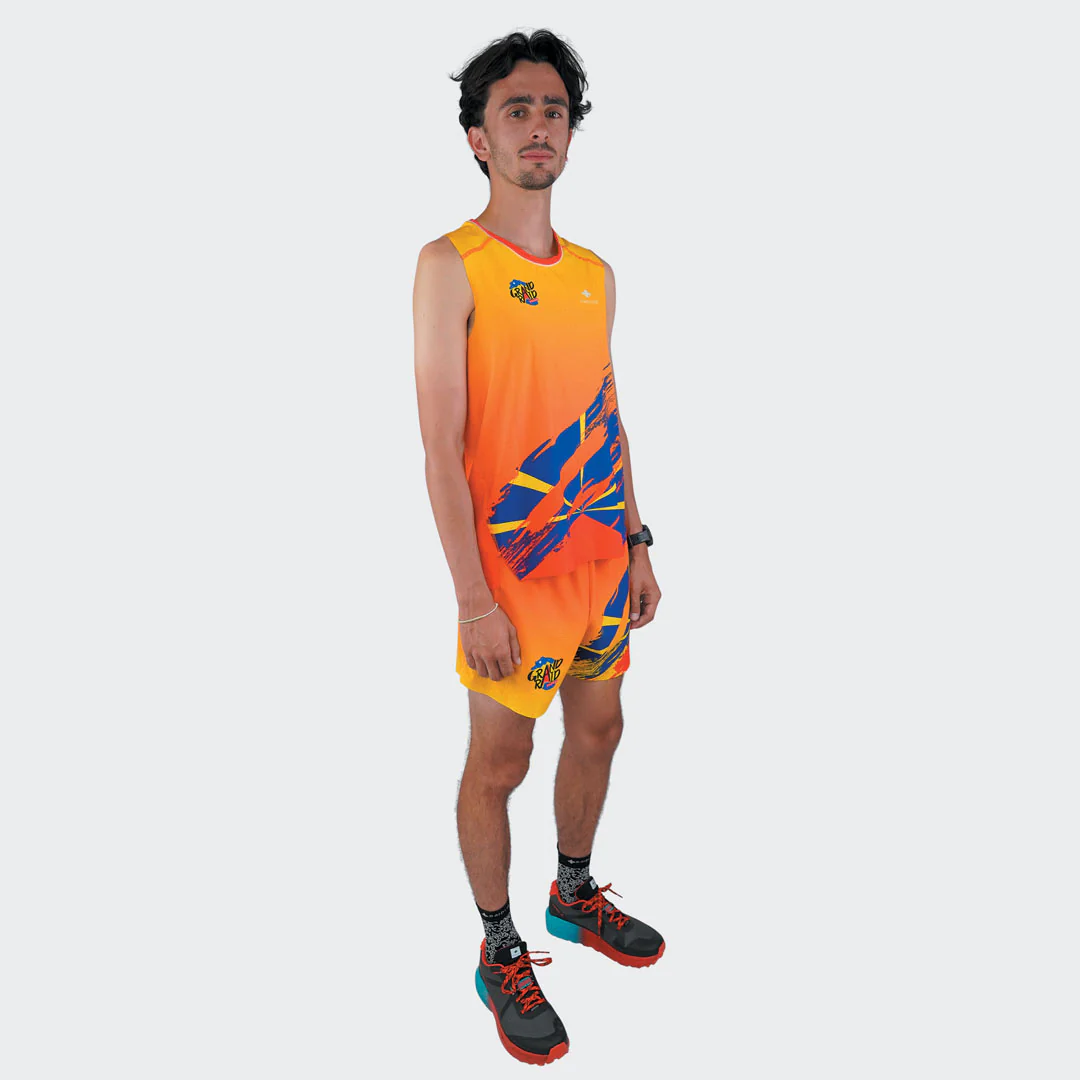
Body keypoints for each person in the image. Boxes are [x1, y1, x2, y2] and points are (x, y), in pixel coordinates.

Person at [412, 28, 665, 1065]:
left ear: (571, 130)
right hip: (510, 580)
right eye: (515, 110)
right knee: (501, 760)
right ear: (478, 137)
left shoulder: (595, 274)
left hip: (599, 561)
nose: (538, 125)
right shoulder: (451, 266)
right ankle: (499, 949)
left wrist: (638, 541)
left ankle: (572, 894)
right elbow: (440, 446)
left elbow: (607, 413)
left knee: (600, 730)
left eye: (553, 109)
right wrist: (472, 598)